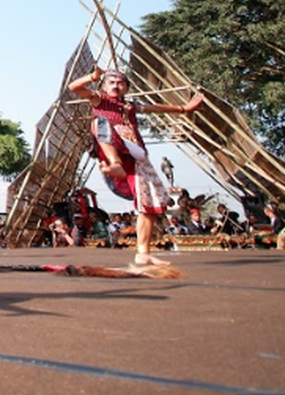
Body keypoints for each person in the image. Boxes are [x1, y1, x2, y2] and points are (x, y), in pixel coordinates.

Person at [68, 66, 203, 266]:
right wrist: (92, 77)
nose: (116, 86)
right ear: (104, 87)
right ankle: (114, 163)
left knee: (147, 207)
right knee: (100, 122)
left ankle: (143, 253)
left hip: (134, 154)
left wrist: (184, 109)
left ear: (127, 88)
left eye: (120, 83)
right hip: (111, 149)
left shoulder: (130, 106)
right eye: (111, 82)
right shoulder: (100, 100)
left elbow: (156, 108)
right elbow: (74, 87)